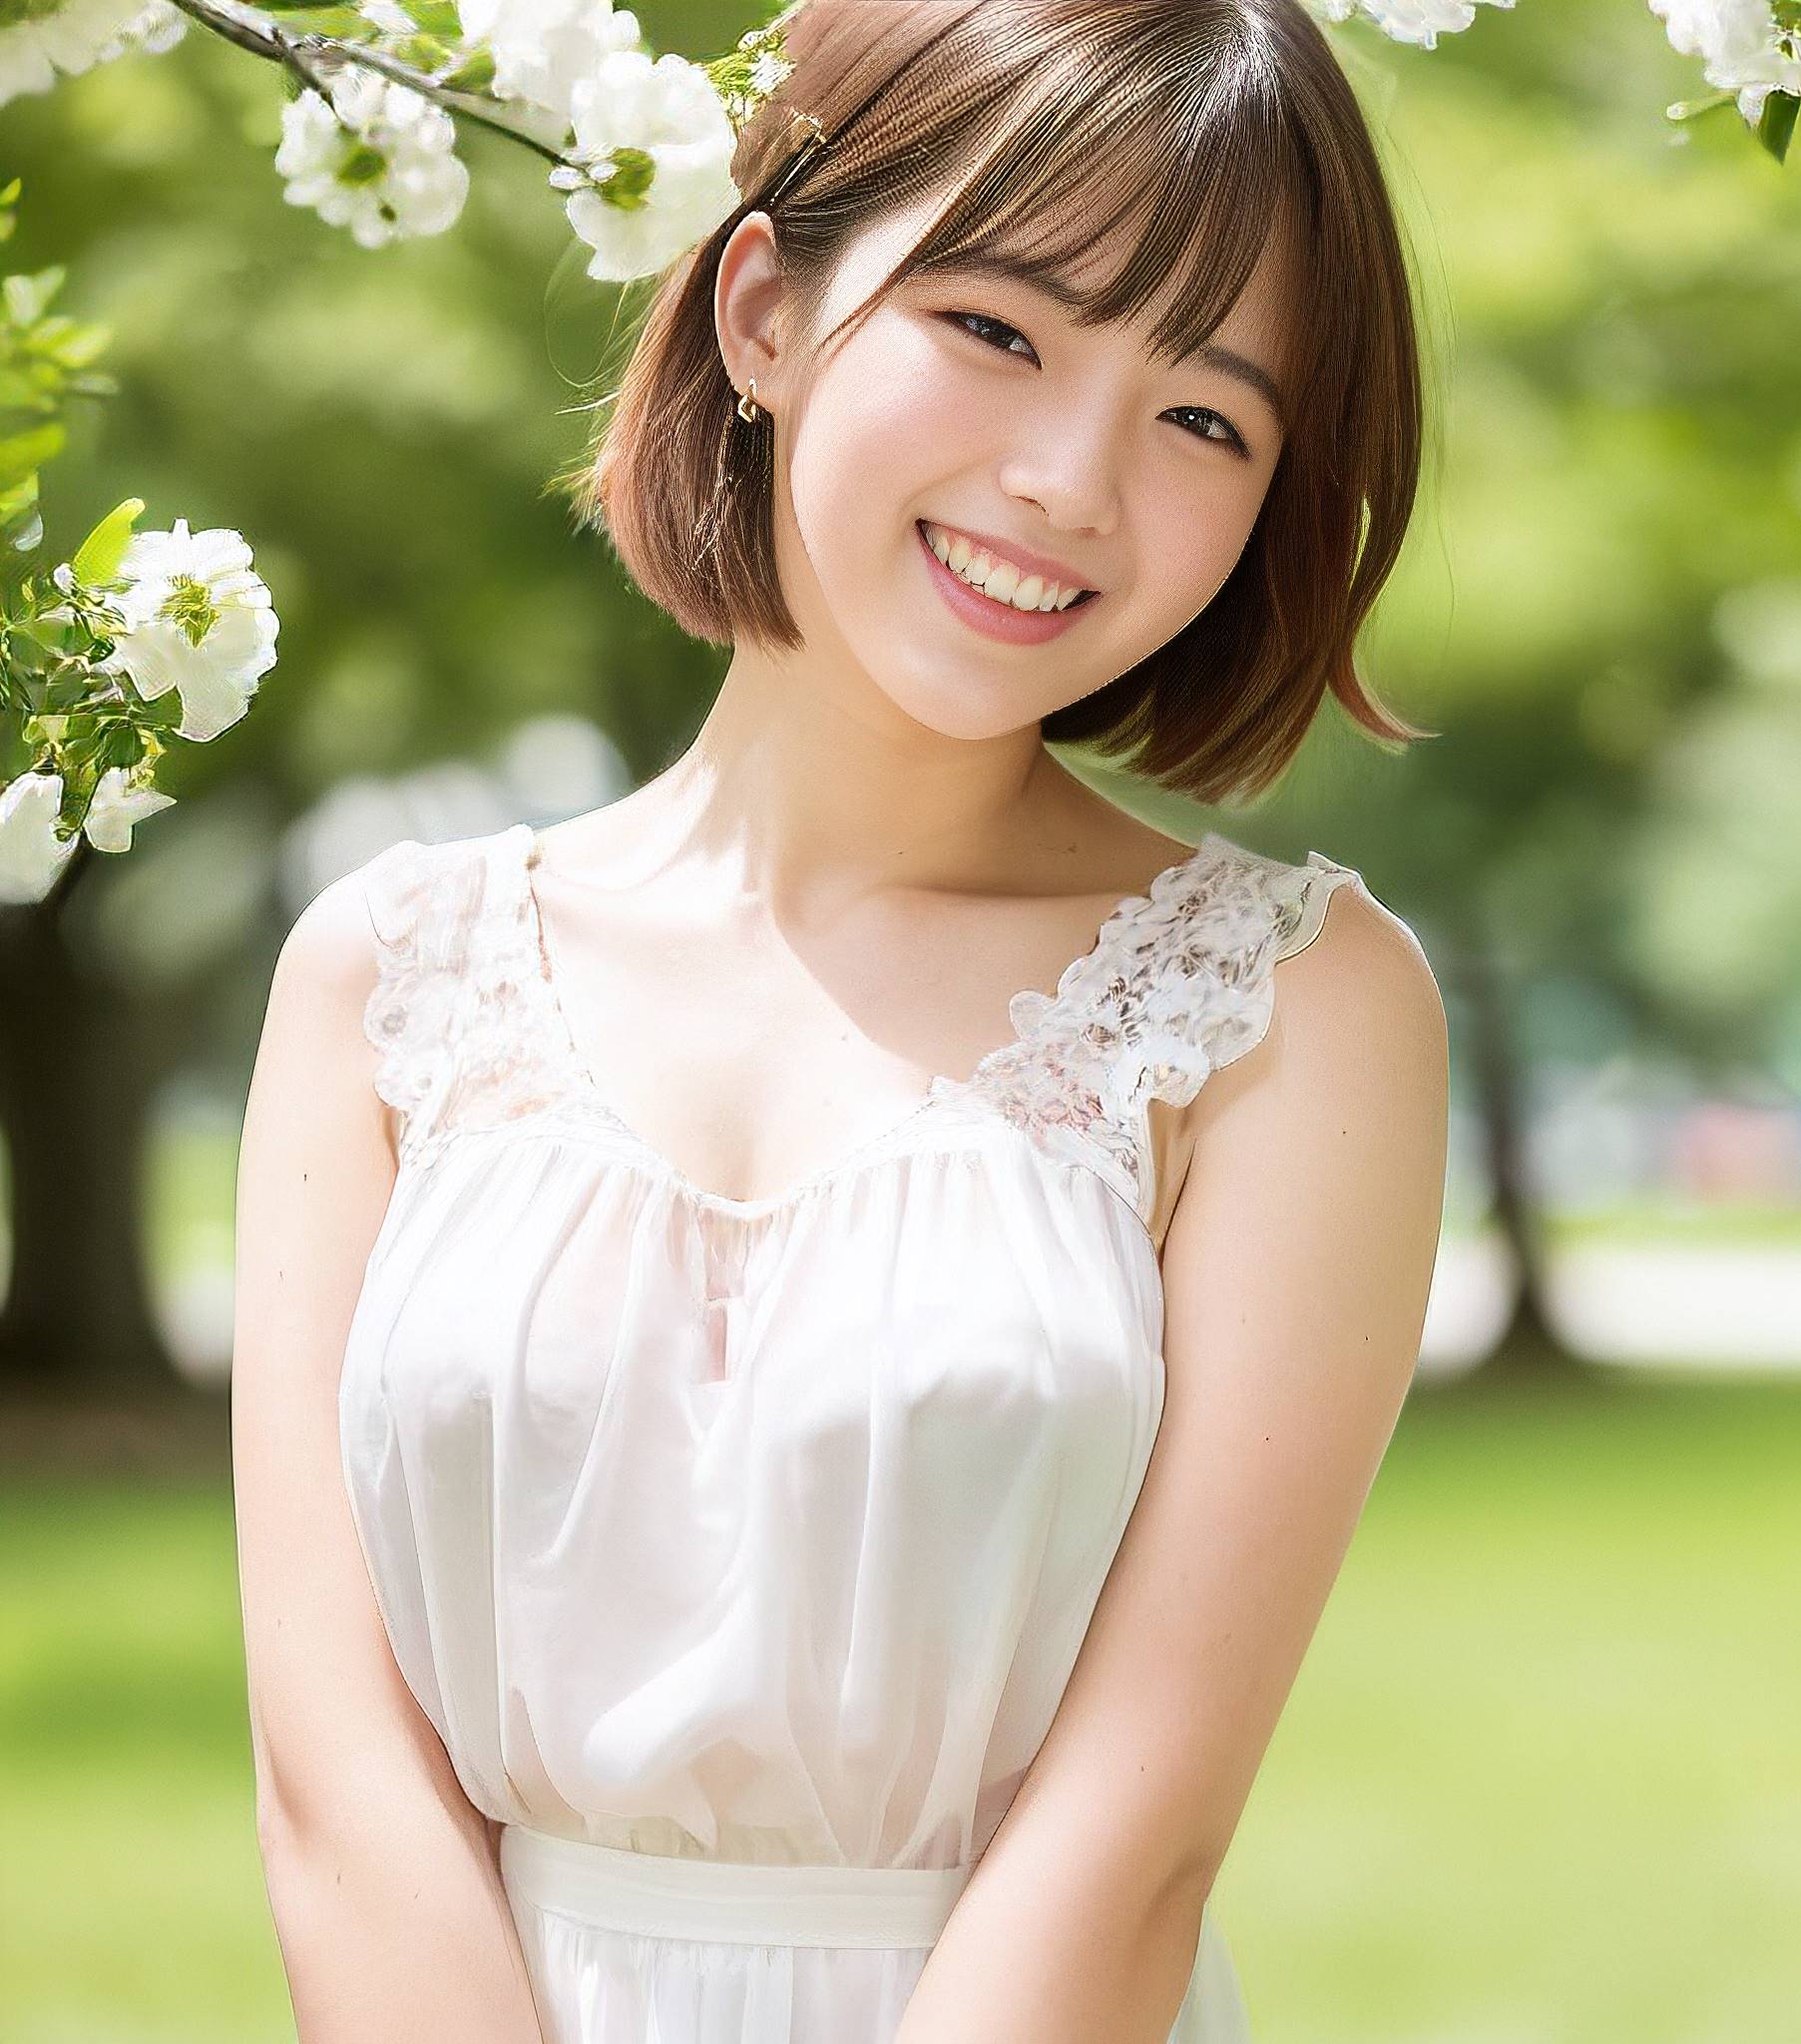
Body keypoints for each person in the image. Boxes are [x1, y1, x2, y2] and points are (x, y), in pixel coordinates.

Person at [230, 1, 1451, 2038]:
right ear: (764, 310)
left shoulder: (1292, 1014)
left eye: (1205, 418)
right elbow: (335, 1784)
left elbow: (1131, 1837)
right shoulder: (386, 972)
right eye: (998, 329)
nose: (1069, 480)